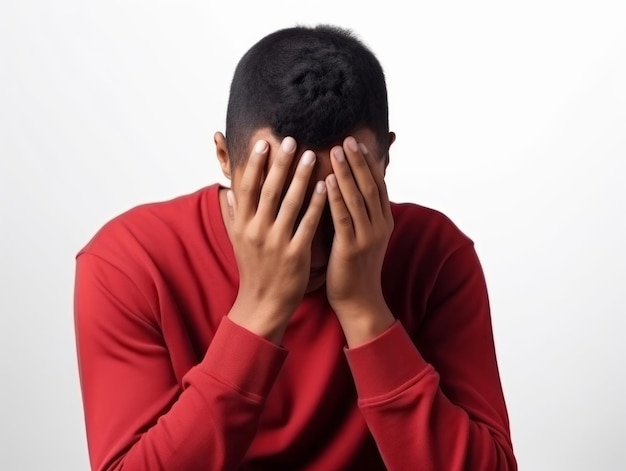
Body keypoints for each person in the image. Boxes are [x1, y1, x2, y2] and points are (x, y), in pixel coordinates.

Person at [74, 24, 517, 470]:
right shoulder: (130, 262)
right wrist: (259, 309)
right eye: (282, 199)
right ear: (225, 158)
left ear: (384, 159)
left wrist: (366, 311)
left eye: (346, 198)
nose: (313, 250)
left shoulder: (435, 254)